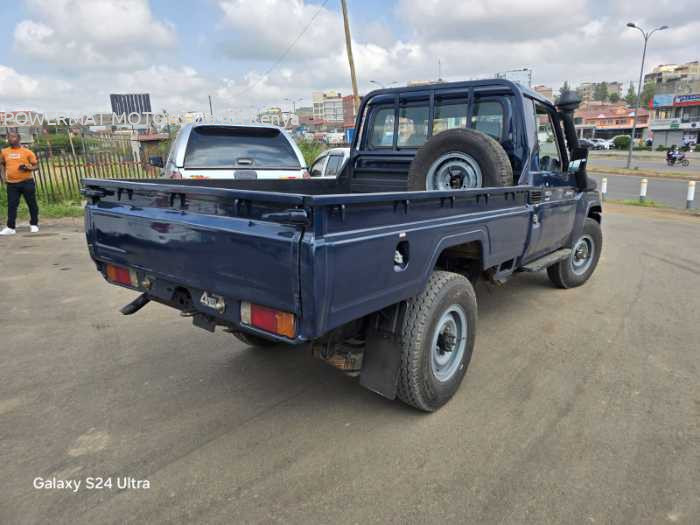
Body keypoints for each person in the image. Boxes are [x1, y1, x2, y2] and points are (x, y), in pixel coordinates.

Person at [0, 132, 40, 235]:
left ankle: (34, 224)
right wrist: (3, 177)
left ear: (19, 138)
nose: (10, 139)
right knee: (12, 205)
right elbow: (2, 165)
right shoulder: (4, 152)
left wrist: (27, 167)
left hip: (27, 182)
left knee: (32, 204)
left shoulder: (27, 152)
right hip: (12, 184)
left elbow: (36, 166)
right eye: (9, 137)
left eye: (13, 137)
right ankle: (10, 227)